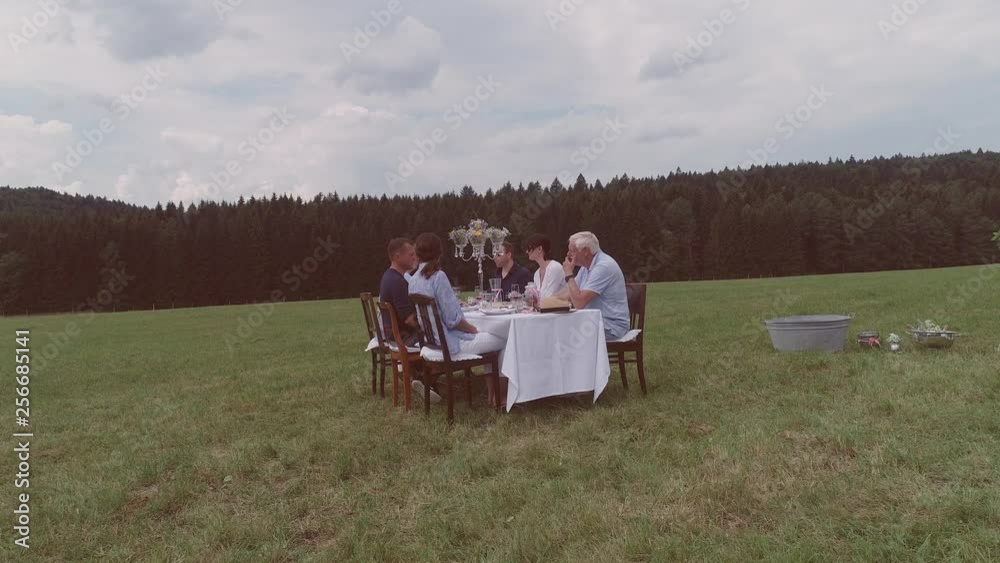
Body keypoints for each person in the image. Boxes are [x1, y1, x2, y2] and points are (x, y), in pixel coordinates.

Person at [408, 233, 507, 405]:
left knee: (491, 338)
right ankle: (499, 397)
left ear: (417, 253)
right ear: (439, 253)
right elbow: (453, 320)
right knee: (504, 339)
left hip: (431, 343)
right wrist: (473, 330)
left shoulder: (413, 280)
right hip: (450, 345)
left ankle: (493, 395)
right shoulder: (438, 276)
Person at [559, 231, 630, 341]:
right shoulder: (586, 267)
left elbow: (579, 303)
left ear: (586, 251)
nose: (568, 254)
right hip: (595, 323)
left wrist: (569, 273)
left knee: (562, 333)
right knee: (558, 328)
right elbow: (570, 293)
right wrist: (544, 301)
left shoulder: (603, 267)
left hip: (611, 327)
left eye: (572, 251)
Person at [379, 238, 420, 347]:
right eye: (411, 254)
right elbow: (409, 320)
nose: (415, 258)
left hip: (394, 337)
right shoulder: (397, 282)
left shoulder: (388, 276)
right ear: (397, 257)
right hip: (405, 338)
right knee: (446, 337)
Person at [524, 233, 567, 298]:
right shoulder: (537, 274)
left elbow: (549, 296)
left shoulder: (554, 267)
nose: (527, 252)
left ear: (539, 249)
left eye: (529, 249)